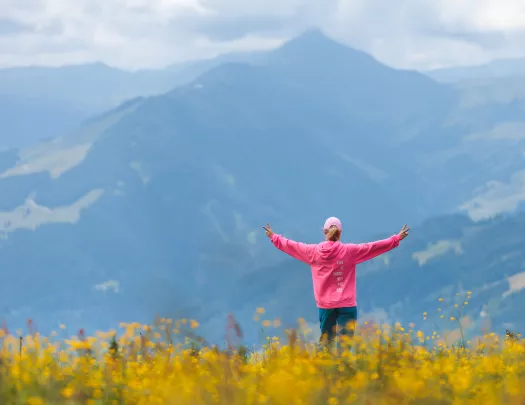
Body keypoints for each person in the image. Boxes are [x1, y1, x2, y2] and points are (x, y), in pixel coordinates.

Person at [262, 217, 410, 347]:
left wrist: (274, 237)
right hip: (347, 304)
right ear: (340, 233)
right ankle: (342, 372)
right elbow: (372, 247)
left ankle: (324, 374)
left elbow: (291, 245)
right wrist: (396, 239)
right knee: (345, 345)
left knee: (326, 343)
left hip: (325, 306)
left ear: (324, 232)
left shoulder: (312, 252)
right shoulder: (349, 251)